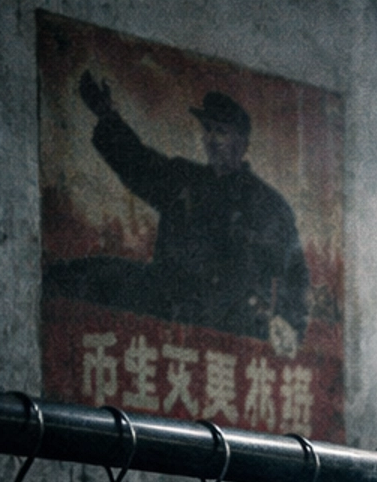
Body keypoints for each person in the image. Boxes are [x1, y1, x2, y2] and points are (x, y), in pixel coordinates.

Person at [45, 76, 309, 350]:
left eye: (221, 131)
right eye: (207, 130)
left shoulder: (266, 205)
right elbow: (138, 162)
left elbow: (295, 271)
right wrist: (106, 115)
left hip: (225, 322)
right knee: (84, 275)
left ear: (242, 143)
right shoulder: (184, 180)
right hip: (167, 299)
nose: (211, 139)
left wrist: (289, 324)